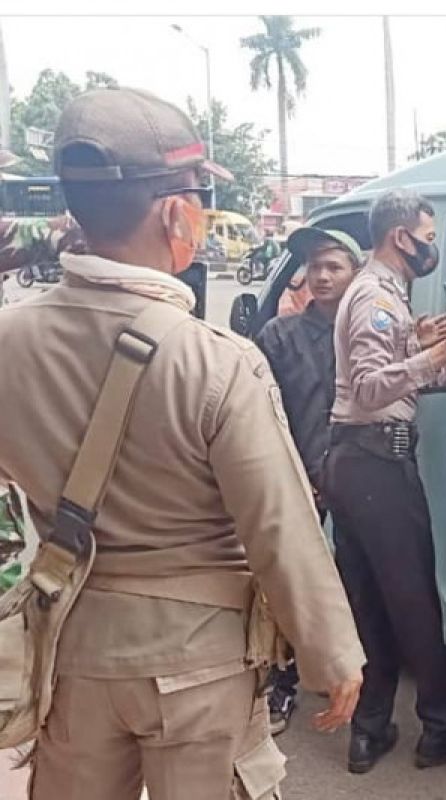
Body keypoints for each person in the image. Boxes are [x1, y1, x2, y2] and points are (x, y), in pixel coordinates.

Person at [0, 87, 365, 799]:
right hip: (200, 666)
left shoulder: (10, 341)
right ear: (176, 213)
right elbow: (279, 528)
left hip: (74, 651)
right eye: (199, 195)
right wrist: (334, 655)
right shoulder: (217, 360)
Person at [322, 188, 446, 774]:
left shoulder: (386, 297)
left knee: (369, 601)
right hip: (375, 464)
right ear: (402, 237)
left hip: (358, 463)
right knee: (415, 602)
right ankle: (440, 729)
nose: (431, 247)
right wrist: (442, 348)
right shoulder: (374, 296)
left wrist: (440, 353)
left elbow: (402, 377)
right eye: (427, 236)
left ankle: (369, 730)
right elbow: (373, 388)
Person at [254, 226, 363, 734]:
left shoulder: (370, 331)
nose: (322, 276)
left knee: (359, 579)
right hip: (296, 475)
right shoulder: (279, 336)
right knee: (287, 584)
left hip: (361, 476)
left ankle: (358, 679)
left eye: (334, 266)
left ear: (355, 273)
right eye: (315, 266)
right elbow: (258, 412)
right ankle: (281, 685)